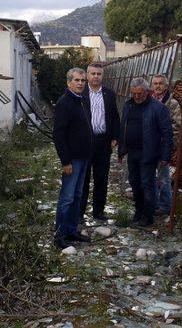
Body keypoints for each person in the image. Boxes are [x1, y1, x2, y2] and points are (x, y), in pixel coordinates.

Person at [118, 77, 172, 227]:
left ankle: (148, 217)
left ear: (147, 92)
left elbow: (167, 133)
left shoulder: (158, 108)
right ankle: (139, 211)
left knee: (147, 184)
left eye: (139, 94)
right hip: (132, 151)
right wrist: (121, 150)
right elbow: (123, 127)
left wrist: (166, 155)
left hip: (149, 152)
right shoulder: (128, 105)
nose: (136, 96)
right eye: (133, 93)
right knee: (135, 182)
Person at [52, 68, 93, 249]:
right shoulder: (64, 103)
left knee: (77, 195)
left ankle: (71, 230)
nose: (80, 83)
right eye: (76, 80)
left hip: (84, 157)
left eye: (83, 80)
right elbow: (58, 134)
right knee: (67, 197)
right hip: (72, 159)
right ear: (68, 82)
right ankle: (60, 234)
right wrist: (65, 161)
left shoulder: (83, 100)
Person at [79, 62, 120, 221]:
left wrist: (115, 137)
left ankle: (98, 211)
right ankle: (80, 212)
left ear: (103, 76)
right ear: (87, 75)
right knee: (83, 178)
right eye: (93, 73)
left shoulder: (109, 94)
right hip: (85, 142)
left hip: (103, 142)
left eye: (99, 74)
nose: (96, 76)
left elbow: (115, 116)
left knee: (101, 178)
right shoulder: (81, 94)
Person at [151, 75, 182, 215]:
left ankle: (165, 206)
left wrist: (169, 146)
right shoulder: (149, 101)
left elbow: (177, 126)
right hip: (149, 146)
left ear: (166, 85)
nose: (158, 86)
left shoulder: (172, 104)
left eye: (160, 84)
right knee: (150, 176)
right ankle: (153, 203)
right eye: (155, 83)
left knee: (163, 177)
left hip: (163, 146)